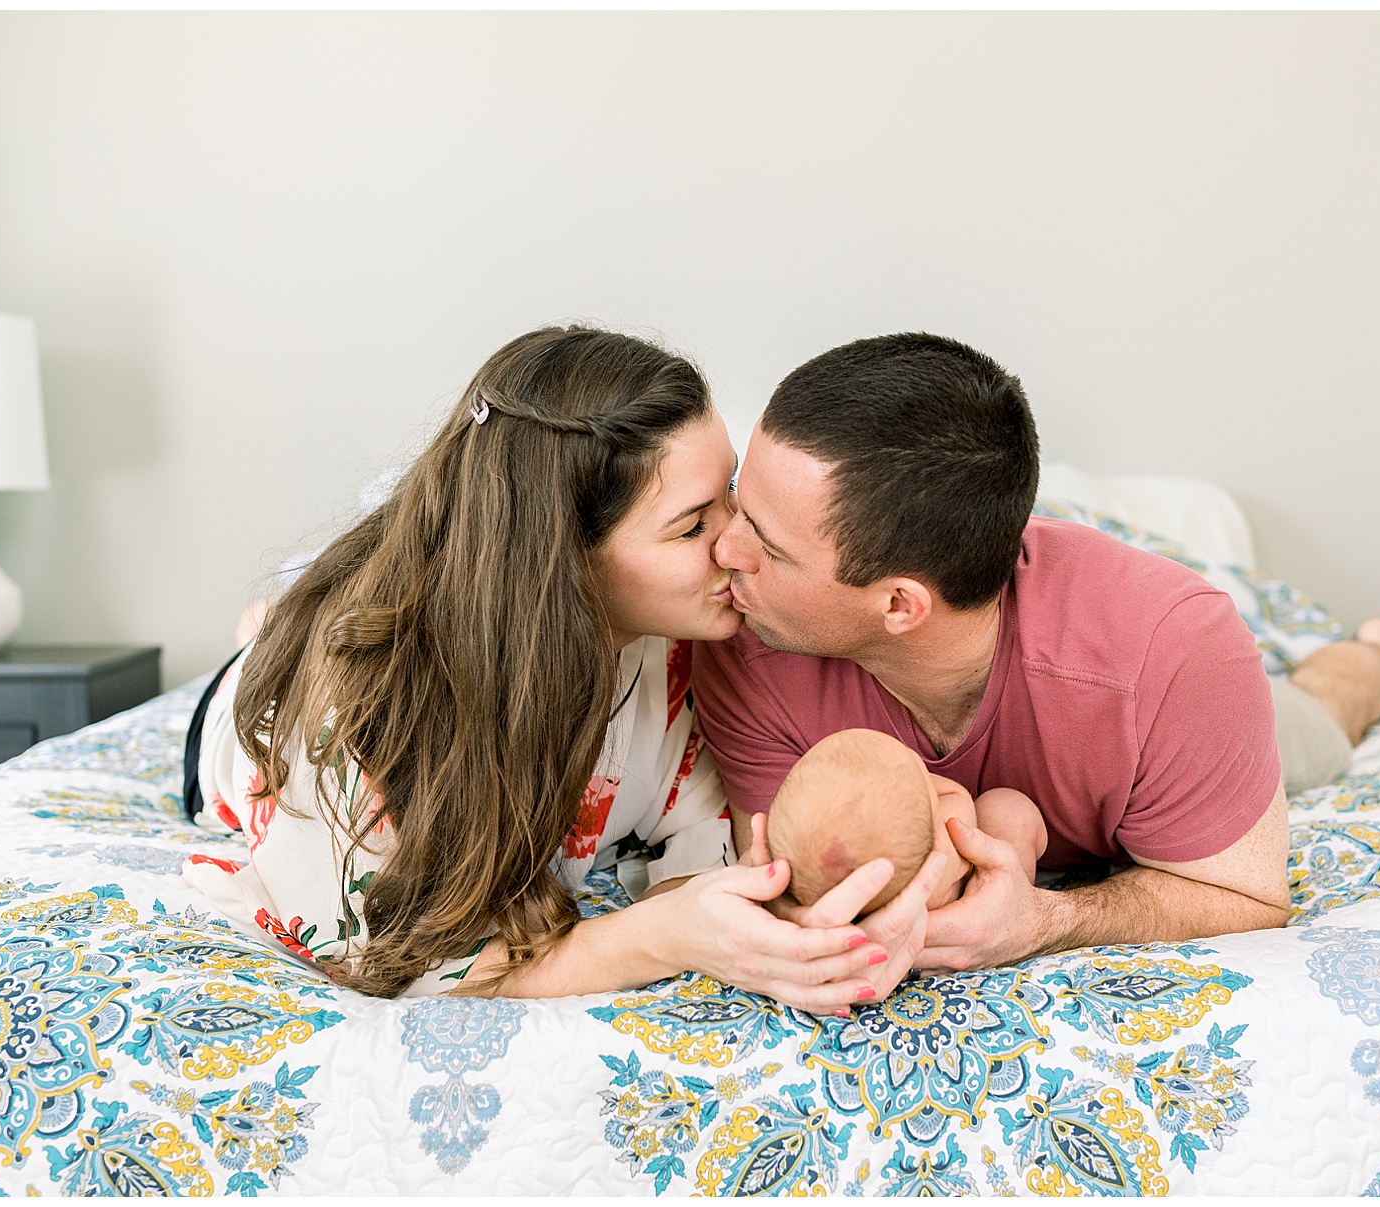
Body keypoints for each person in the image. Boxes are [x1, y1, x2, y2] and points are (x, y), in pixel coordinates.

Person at [693, 331, 1380, 991]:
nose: (723, 550)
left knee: (1315, 723)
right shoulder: (745, 641)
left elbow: (1242, 895)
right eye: (738, 499)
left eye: (763, 541)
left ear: (899, 603)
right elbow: (788, 879)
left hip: (1166, 694)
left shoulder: (1172, 651)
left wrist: (1046, 921)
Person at [180, 326, 921, 1011]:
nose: (737, 547)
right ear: (563, 564)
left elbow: (702, 850)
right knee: (296, 645)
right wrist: (659, 936)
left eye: (727, 495)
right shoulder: (361, 711)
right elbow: (388, 957)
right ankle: (270, 630)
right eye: (693, 525)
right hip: (261, 720)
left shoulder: (695, 638)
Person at [766, 727, 1045, 913]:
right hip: (981, 912)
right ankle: (1017, 907)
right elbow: (957, 796)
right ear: (935, 841)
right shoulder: (941, 855)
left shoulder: (863, 906)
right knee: (1008, 810)